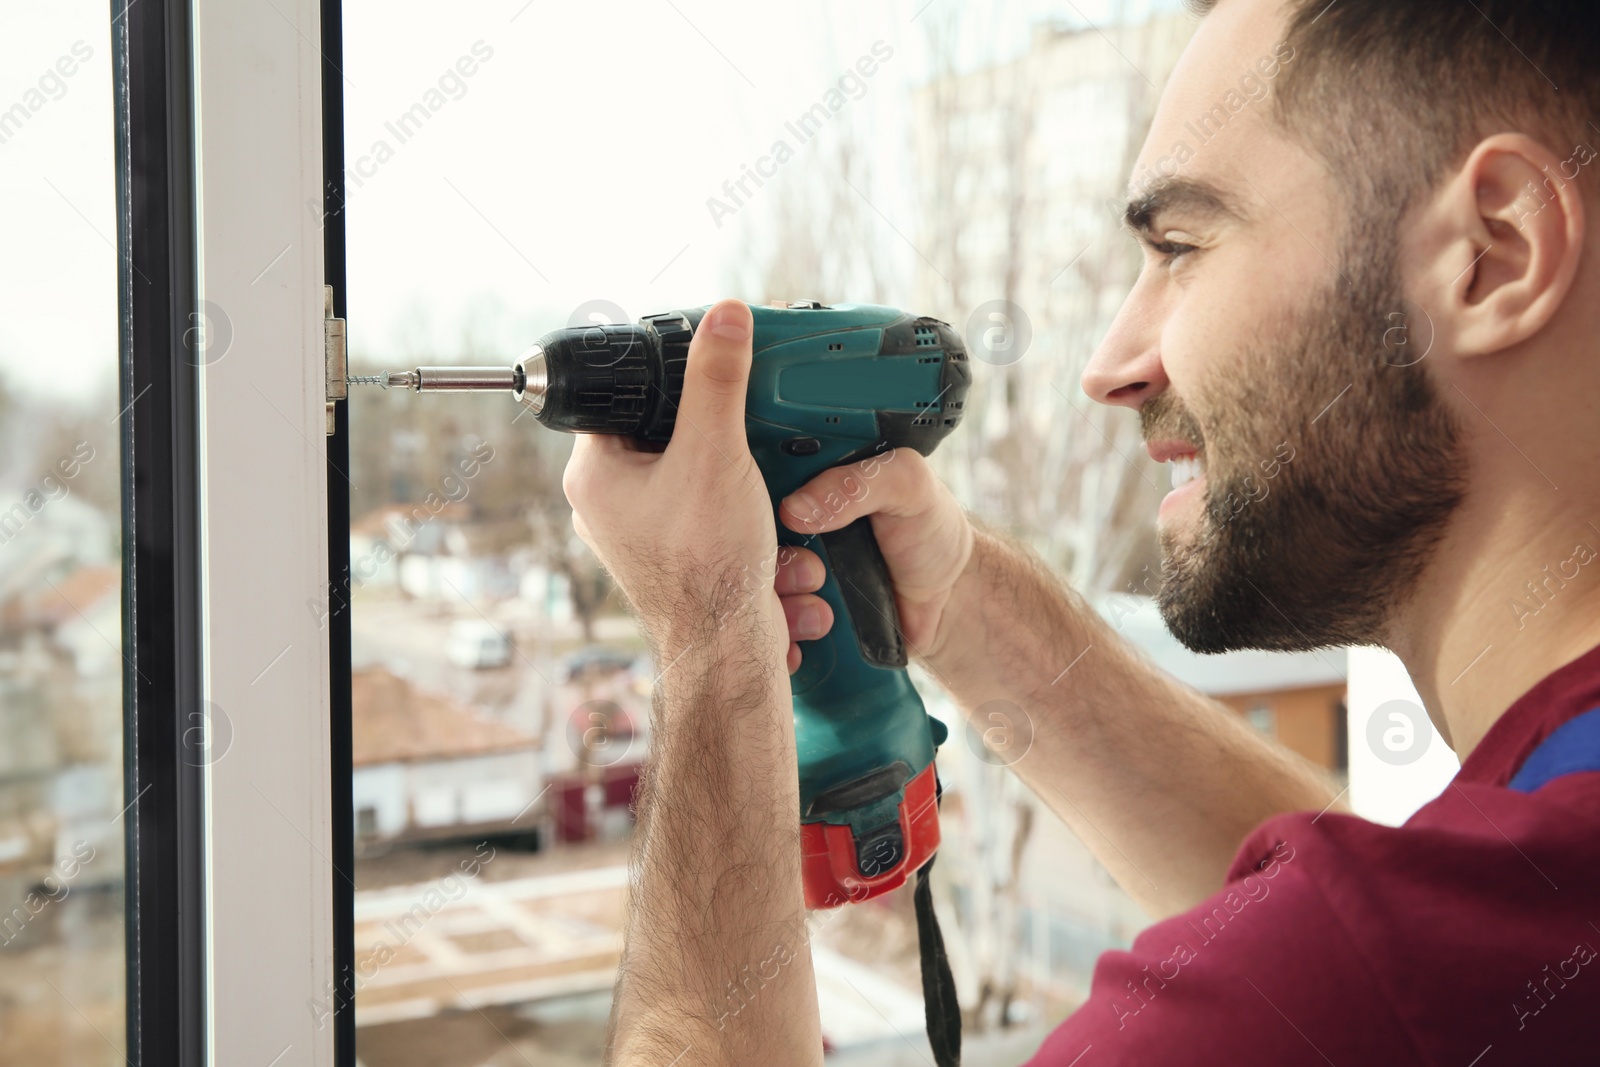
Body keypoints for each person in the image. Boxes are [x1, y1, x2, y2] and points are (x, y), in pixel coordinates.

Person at [562, 0, 1600, 1061]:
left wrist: (708, 630)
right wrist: (955, 594)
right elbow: (1367, 908)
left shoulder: (1361, 980)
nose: (1109, 365)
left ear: (1493, 253)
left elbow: (1348, 959)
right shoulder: (1506, 897)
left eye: (1182, 246)